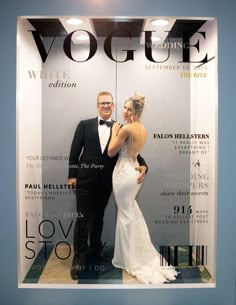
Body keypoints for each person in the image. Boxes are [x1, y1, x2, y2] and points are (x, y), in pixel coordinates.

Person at [67, 91, 148, 280]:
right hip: (85, 180)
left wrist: (145, 165)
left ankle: (95, 249)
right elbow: (74, 151)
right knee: (82, 219)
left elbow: (133, 151)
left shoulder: (121, 127)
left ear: (113, 106)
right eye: (102, 103)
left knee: (99, 217)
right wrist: (72, 175)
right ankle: (78, 258)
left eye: (109, 103)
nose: (105, 106)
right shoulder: (84, 125)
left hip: (107, 182)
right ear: (97, 105)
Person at [108, 93, 178, 284]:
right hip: (134, 173)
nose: (125, 111)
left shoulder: (125, 129)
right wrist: (144, 167)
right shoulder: (142, 129)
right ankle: (129, 255)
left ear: (136, 111)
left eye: (129, 109)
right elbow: (136, 154)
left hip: (124, 174)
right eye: (124, 107)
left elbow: (111, 151)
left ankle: (128, 259)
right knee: (129, 212)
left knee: (126, 215)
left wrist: (115, 130)